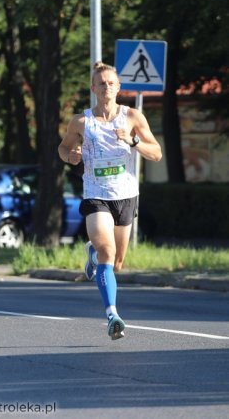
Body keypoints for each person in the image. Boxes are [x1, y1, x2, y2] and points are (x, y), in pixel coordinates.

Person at [58, 62, 162, 340]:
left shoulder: (132, 118)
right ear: (93, 88)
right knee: (107, 251)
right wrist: (71, 157)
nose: (106, 87)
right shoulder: (81, 122)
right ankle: (112, 315)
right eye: (101, 83)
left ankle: (92, 254)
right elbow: (63, 148)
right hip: (96, 195)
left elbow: (157, 153)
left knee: (116, 263)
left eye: (111, 83)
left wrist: (133, 142)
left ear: (118, 87)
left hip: (125, 195)